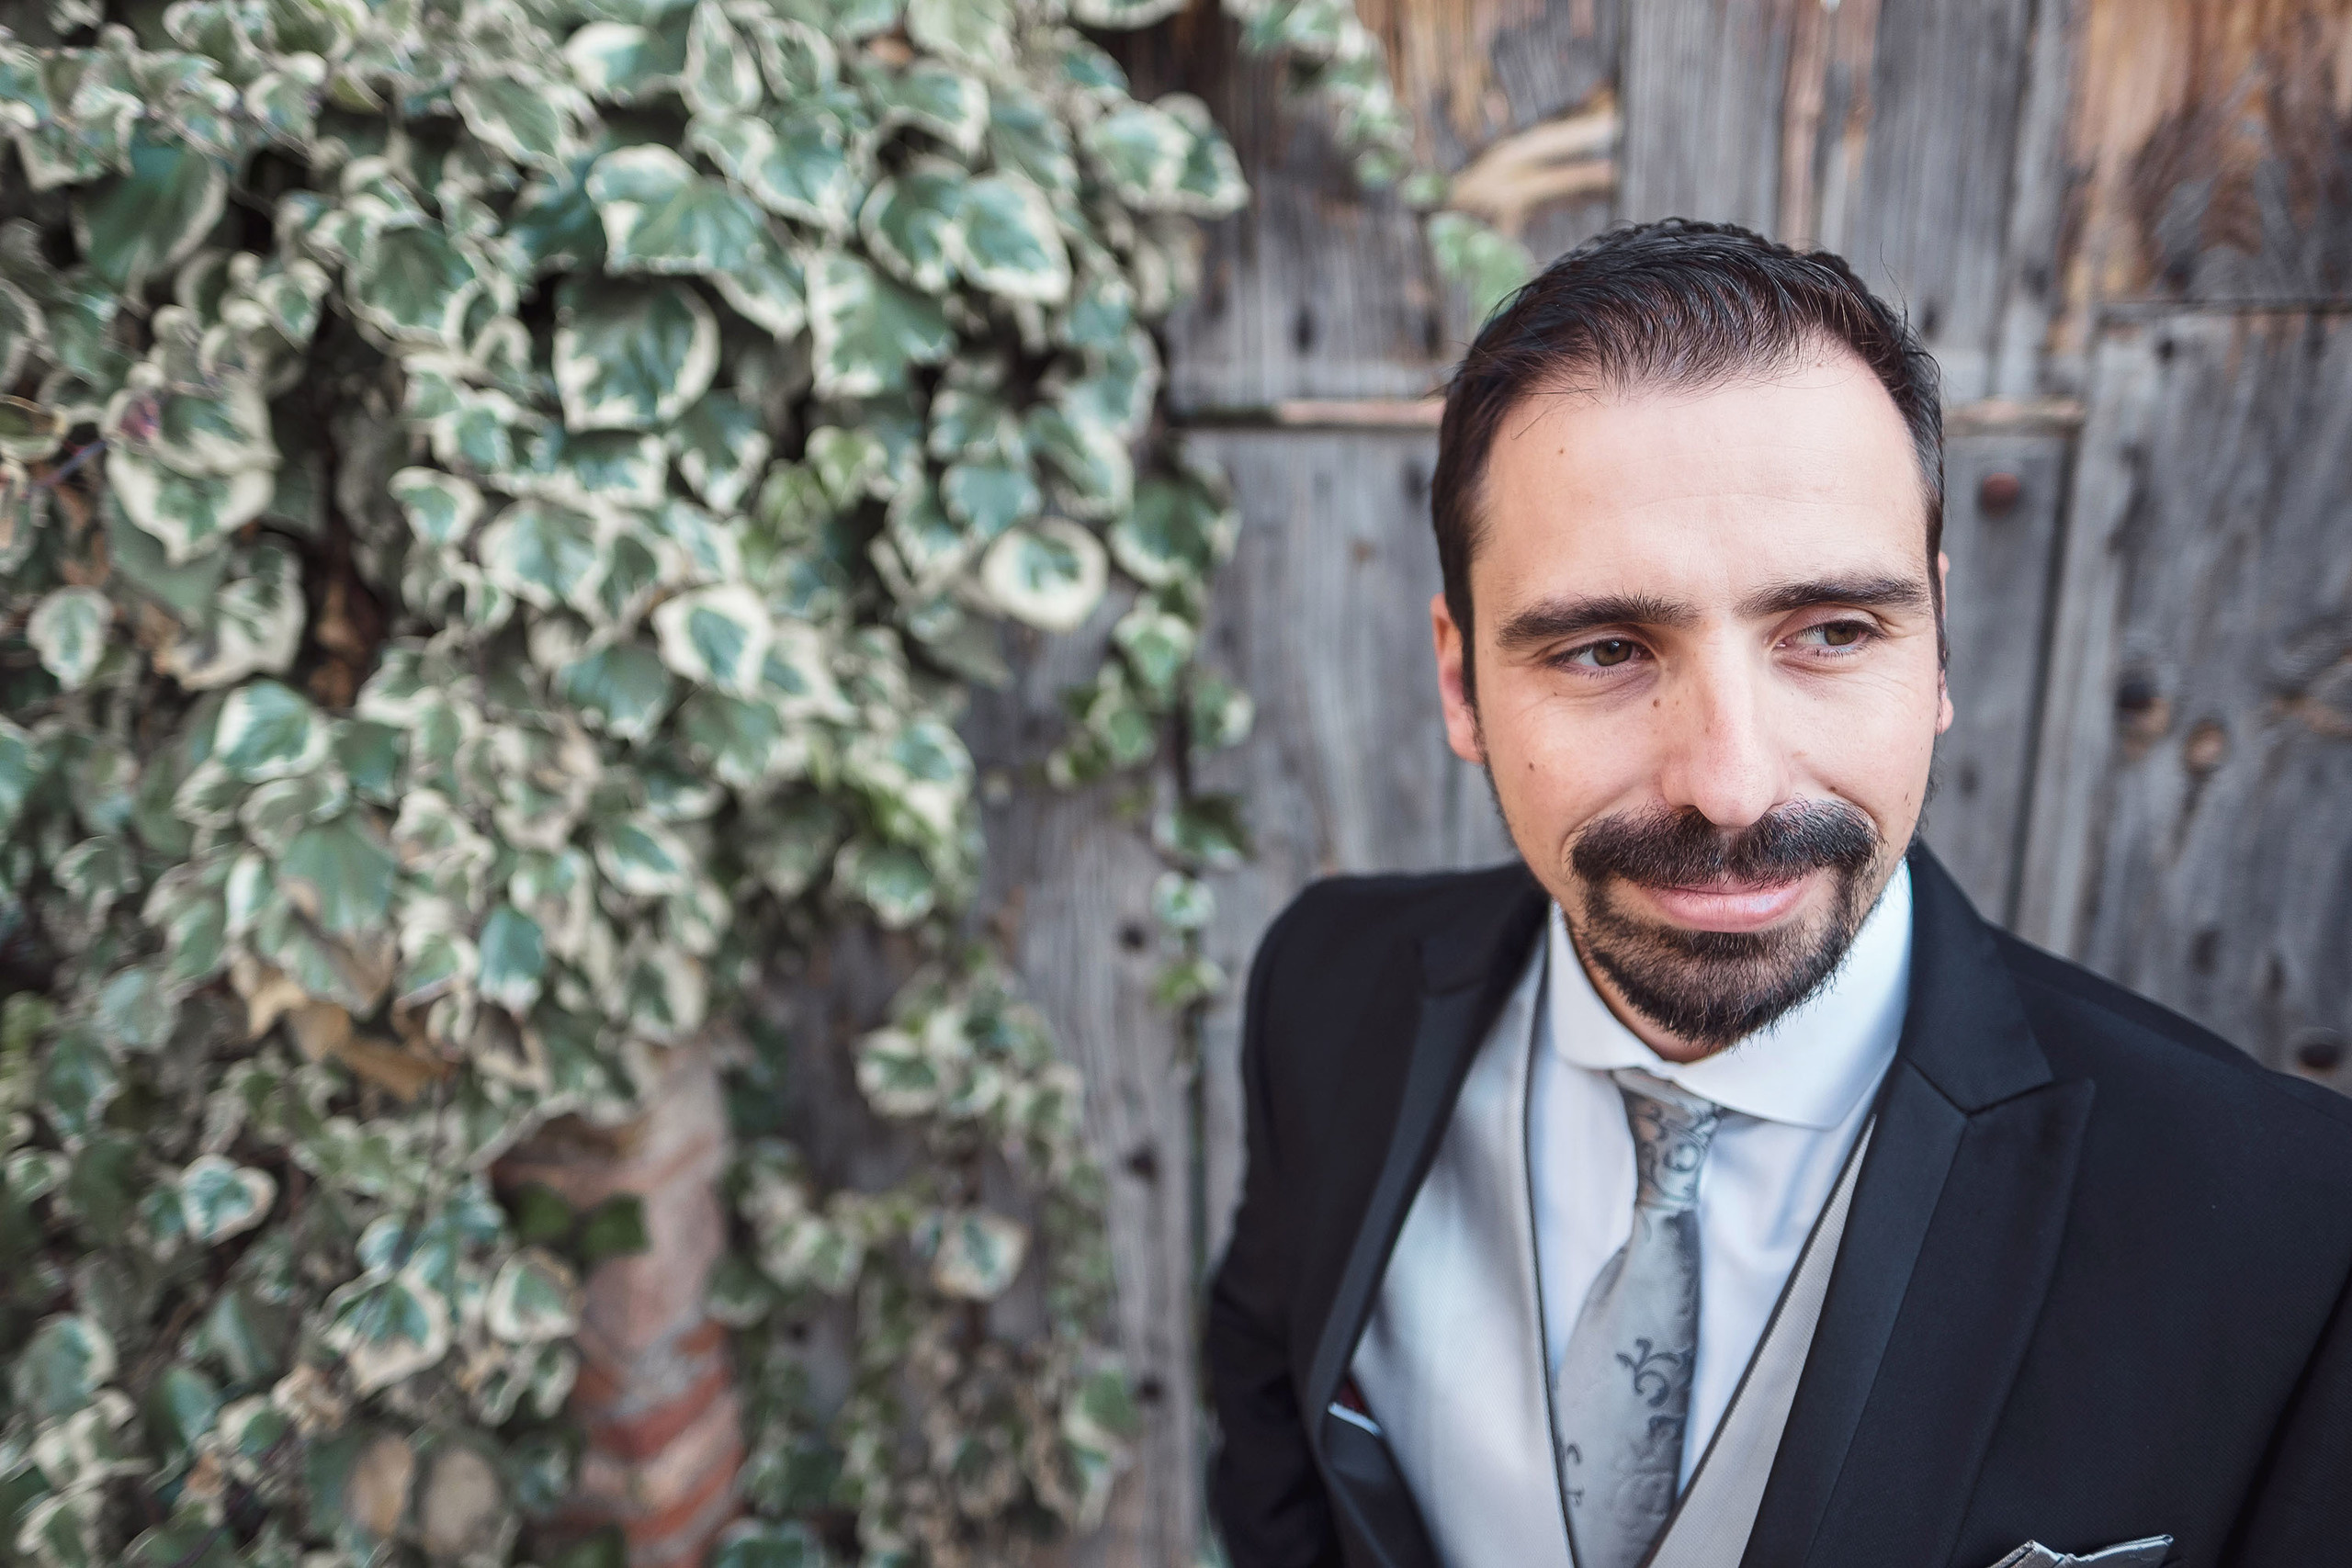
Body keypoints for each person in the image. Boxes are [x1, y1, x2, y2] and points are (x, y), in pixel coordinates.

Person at [1204, 220, 2352, 1568]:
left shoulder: (2291, 1223)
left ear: (1935, 647)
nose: (1732, 786)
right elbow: (1276, 1423)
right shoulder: (1327, 987)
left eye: (1831, 632)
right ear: (1461, 681)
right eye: (1604, 647)